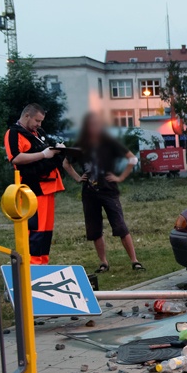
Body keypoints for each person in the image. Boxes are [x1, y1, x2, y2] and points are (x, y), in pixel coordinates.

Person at [62, 113, 143, 273]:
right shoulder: (80, 145)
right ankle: (103, 263)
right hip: (89, 193)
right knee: (94, 228)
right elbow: (65, 163)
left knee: (120, 226)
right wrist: (78, 178)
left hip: (109, 191)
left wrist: (120, 178)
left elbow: (132, 159)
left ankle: (135, 261)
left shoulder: (109, 143)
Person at [3, 104, 65, 264]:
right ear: (27, 116)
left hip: (48, 187)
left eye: (41, 121)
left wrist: (57, 150)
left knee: (46, 230)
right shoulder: (14, 133)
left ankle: (43, 262)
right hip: (32, 189)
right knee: (35, 229)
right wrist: (43, 154)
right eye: (37, 120)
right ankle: (32, 266)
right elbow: (15, 158)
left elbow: (47, 152)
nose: (39, 124)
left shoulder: (38, 133)